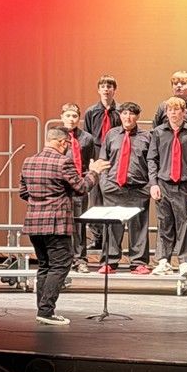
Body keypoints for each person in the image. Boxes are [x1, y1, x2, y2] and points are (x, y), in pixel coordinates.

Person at [20, 127, 109, 325]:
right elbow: (82, 187)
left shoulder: (29, 161)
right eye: (67, 144)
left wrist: (41, 201)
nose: (67, 148)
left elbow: (23, 192)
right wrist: (93, 172)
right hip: (56, 223)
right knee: (60, 265)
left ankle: (43, 310)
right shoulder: (63, 162)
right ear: (62, 143)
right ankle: (46, 311)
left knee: (45, 265)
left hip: (34, 222)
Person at [148, 97, 187, 277]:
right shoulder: (158, 132)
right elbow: (152, 159)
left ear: (184, 112)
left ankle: (185, 261)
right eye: (169, 110)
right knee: (164, 223)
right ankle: (163, 260)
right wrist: (153, 183)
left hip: (185, 185)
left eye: (176, 109)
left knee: (185, 224)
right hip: (163, 184)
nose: (173, 113)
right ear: (166, 112)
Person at [98, 101, 153, 275]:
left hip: (138, 188)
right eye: (124, 113)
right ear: (120, 115)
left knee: (139, 227)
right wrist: (104, 183)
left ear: (137, 116)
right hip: (114, 187)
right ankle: (110, 261)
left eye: (131, 114)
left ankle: (138, 263)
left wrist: (149, 186)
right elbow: (103, 161)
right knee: (113, 226)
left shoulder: (147, 137)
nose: (127, 117)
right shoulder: (111, 135)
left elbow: (152, 163)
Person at [82, 74, 121, 253]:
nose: (106, 89)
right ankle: (97, 236)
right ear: (98, 90)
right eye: (103, 86)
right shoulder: (91, 112)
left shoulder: (120, 111)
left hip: (113, 154)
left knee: (112, 196)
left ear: (114, 89)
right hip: (98, 153)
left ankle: (112, 240)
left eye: (109, 86)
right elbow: (88, 137)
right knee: (95, 197)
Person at [59, 102, 96, 273]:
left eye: (74, 116)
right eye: (68, 115)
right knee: (61, 223)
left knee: (79, 223)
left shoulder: (87, 138)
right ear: (62, 117)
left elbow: (89, 162)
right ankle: (63, 258)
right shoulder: (56, 136)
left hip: (79, 184)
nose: (71, 119)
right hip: (60, 186)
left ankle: (80, 258)